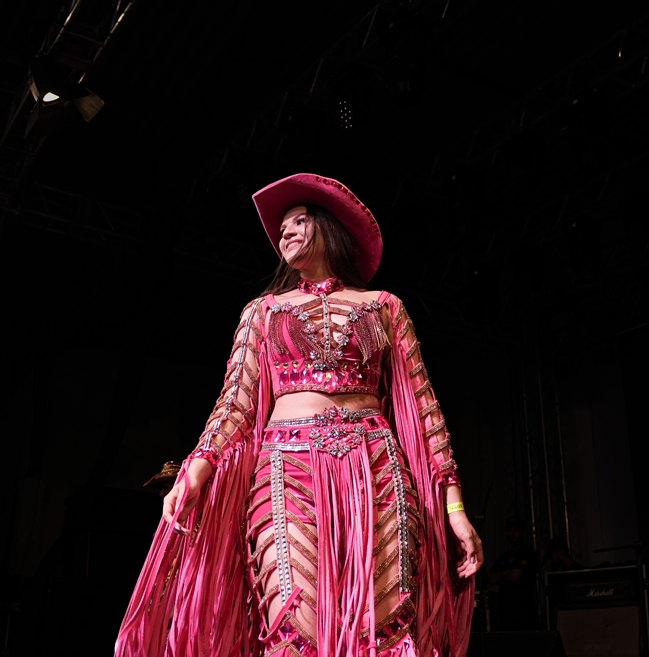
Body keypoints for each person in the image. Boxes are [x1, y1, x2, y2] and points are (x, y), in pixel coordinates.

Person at [115, 174, 483, 656]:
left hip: (374, 470)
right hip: (288, 472)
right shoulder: (263, 312)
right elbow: (236, 405)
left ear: (330, 229)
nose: (284, 232)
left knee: (384, 626)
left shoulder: (384, 307)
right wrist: (194, 476)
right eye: (282, 228)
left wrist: (455, 511)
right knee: (295, 625)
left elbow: (425, 408)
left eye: (298, 221)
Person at [486, 515, 539, 631]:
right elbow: (489, 577)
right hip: (505, 611)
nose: (512, 534)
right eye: (509, 530)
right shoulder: (504, 556)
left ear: (522, 532)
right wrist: (505, 573)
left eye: (516, 530)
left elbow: (514, 577)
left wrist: (500, 578)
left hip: (524, 611)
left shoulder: (528, 553)